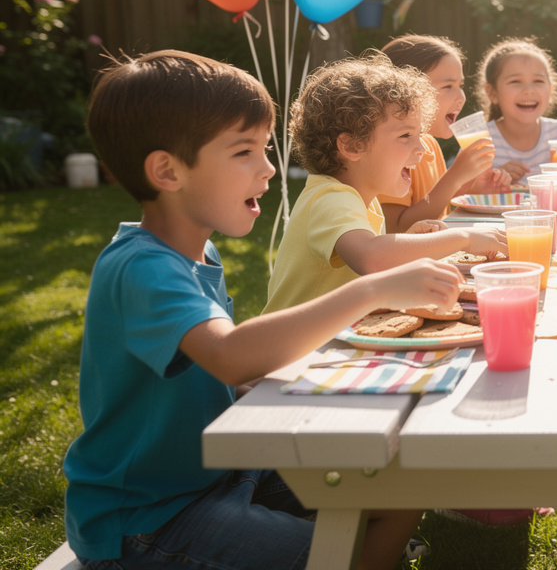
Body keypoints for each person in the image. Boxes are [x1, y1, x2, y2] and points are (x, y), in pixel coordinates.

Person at [63, 50, 462, 570]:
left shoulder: (198, 252)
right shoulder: (141, 269)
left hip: (224, 472)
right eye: (243, 153)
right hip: (150, 516)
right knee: (342, 554)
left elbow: (212, 377)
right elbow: (228, 355)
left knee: (400, 492)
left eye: (265, 148)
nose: (270, 168)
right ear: (167, 171)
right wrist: (371, 291)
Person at [264, 53, 506, 314]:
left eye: (420, 134)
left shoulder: (363, 199)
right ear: (352, 145)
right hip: (297, 351)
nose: (422, 148)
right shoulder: (330, 196)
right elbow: (371, 257)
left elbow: (371, 266)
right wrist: (464, 237)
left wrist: (405, 242)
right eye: (406, 135)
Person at [377, 34, 510, 233]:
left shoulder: (429, 145)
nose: (462, 98)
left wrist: (471, 191)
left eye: (460, 86)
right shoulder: (387, 151)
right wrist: (455, 177)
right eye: (448, 86)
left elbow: (434, 213)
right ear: (405, 91)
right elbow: (397, 229)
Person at [476, 38, 557, 185]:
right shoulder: (481, 141)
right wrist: (495, 177)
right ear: (492, 93)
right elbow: (462, 189)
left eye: (538, 81)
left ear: (550, 90)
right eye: (515, 82)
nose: (528, 91)